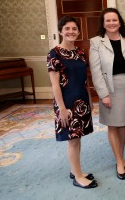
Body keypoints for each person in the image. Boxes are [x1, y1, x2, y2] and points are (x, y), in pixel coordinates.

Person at [47, 16, 97, 189]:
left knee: (77, 138)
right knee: (73, 140)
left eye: (74, 29)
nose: (71, 31)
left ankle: (76, 170)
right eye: (67, 28)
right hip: (66, 103)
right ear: (60, 31)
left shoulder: (80, 52)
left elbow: (84, 80)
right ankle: (78, 177)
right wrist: (61, 108)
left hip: (81, 100)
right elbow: (55, 85)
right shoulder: (54, 54)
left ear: (78, 32)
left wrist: (90, 99)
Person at [89, 8, 125, 180]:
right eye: (107, 20)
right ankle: (119, 161)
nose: (111, 23)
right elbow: (96, 71)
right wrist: (103, 94)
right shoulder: (96, 42)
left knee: (123, 124)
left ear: (120, 22)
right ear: (103, 23)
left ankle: (121, 157)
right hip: (108, 87)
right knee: (112, 125)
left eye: (114, 20)